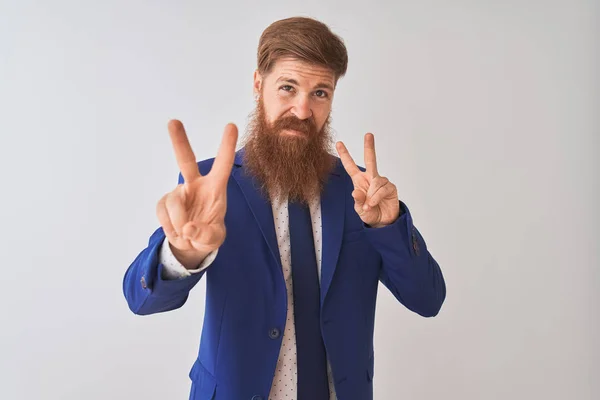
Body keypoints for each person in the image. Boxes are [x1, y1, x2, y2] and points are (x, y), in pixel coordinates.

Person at [123, 16, 446, 400]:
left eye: (320, 93)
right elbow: (140, 300)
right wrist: (184, 254)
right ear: (259, 85)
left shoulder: (361, 193)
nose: (303, 109)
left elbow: (428, 300)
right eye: (288, 88)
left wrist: (388, 226)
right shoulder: (211, 186)